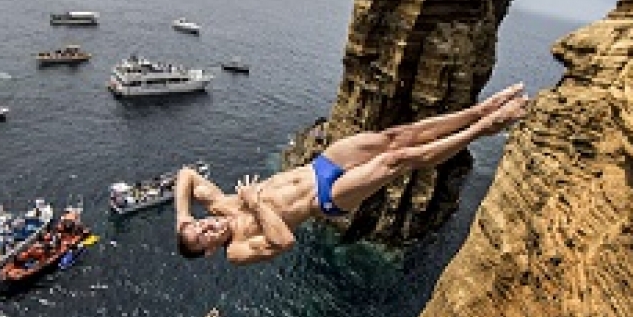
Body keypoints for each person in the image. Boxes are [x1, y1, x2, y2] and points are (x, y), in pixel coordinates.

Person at [175, 83, 530, 265]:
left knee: (395, 137)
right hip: (327, 198)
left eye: (199, 225)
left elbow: (187, 175)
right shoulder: (237, 249)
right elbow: (284, 242)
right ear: (209, 252)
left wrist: (182, 216)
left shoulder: (220, 204)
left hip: (319, 165)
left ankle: (478, 110)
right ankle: (486, 127)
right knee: (398, 160)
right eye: (202, 237)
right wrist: (256, 203)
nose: (207, 228)